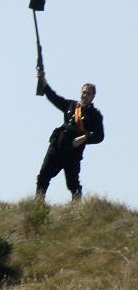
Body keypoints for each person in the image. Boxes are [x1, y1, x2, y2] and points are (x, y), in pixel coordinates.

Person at [35, 71, 104, 200]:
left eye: (88, 93)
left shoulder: (95, 115)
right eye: (84, 92)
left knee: (73, 184)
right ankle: (38, 205)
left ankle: (76, 211)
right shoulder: (71, 105)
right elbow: (52, 97)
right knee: (43, 176)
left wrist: (84, 138)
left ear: (93, 96)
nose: (85, 95)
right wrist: (43, 80)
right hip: (57, 146)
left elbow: (99, 136)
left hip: (73, 152)